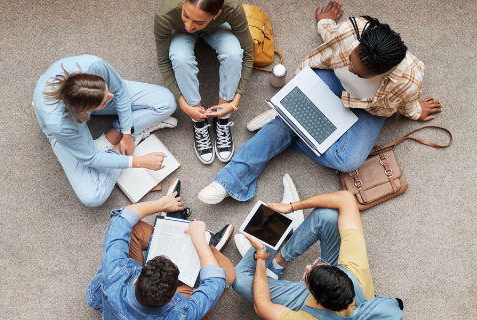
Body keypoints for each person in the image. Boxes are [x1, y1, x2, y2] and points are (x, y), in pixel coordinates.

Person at [197, 1, 442, 204]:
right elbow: (331, 36)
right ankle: (229, 179)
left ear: (382, 72)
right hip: (329, 79)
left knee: (347, 161)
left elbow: (406, 102)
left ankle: (286, 120)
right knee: (297, 125)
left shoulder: (408, 81)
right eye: (351, 60)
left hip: (369, 107)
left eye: (357, 71)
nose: (349, 68)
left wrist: (415, 111)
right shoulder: (353, 31)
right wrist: (325, 22)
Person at [33, 55, 177, 207]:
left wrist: (127, 133)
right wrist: (139, 162)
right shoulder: (59, 125)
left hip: (86, 102)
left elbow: (119, 90)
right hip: (66, 123)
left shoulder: (93, 65)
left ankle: (115, 136)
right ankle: (117, 146)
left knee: (167, 102)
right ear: (84, 112)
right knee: (93, 197)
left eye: (106, 90)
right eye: (105, 100)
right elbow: (90, 158)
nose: (112, 96)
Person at [86, 183, 236, 320]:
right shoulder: (181, 315)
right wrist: (199, 240)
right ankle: (203, 245)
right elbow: (216, 281)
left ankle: (174, 229)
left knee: (134, 229)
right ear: (172, 298)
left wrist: (162, 203)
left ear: (136, 281)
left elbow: (121, 219)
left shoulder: (115, 275)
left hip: (109, 306)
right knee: (227, 272)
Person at [232, 190, 377, 320]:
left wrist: (261, 254)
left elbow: (261, 307)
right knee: (328, 216)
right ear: (342, 271)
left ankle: (273, 235)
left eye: (306, 275)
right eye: (316, 264)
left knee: (240, 280)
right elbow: (346, 198)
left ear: (315, 301)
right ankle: (277, 263)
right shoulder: (356, 267)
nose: (307, 266)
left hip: (318, 311)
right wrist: (292, 207)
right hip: (337, 296)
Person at [154, 0, 253, 164]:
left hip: (217, 27)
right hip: (179, 33)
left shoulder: (232, 8)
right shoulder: (166, 14)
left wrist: (234, 102)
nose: (190, 25)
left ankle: (223, 115)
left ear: (217, 14)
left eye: (198, 22)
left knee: (234, 54)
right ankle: (197, 117)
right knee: (180, 59)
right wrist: (185, 106)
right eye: (186, 15)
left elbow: (248, 53)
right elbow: (164, 61)